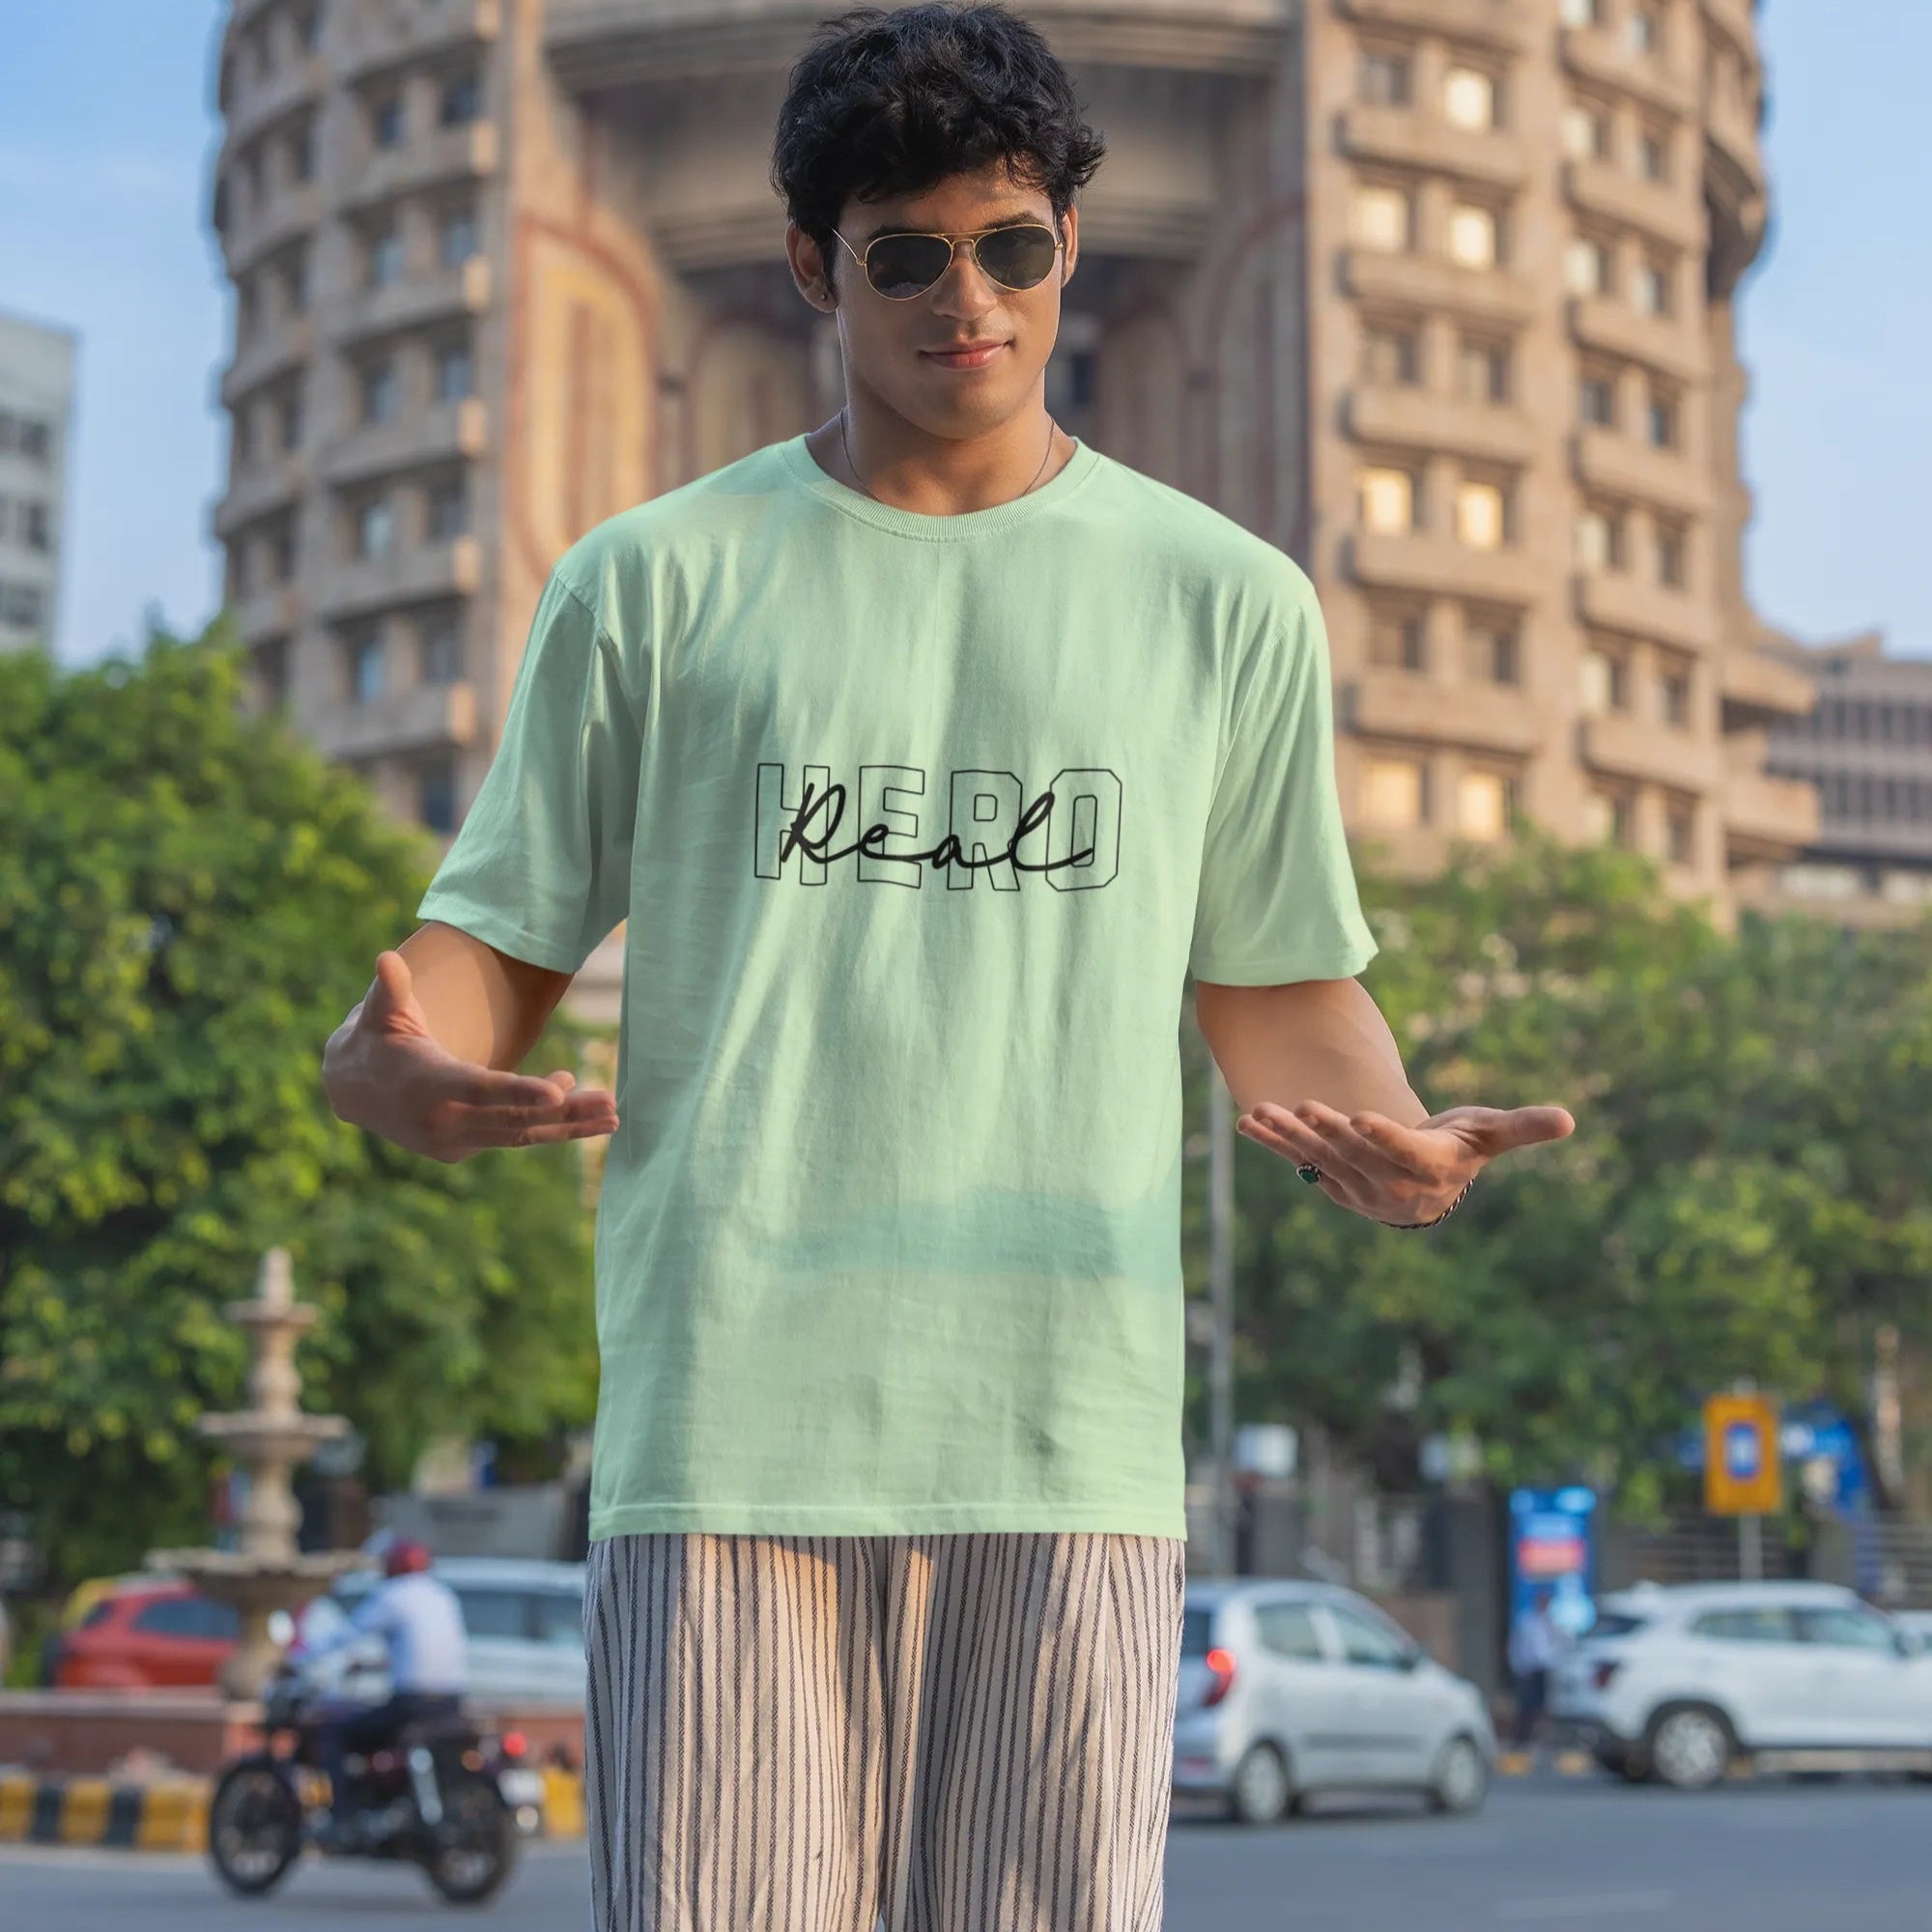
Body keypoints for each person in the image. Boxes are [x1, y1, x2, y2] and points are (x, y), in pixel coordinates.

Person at [320, 8, 1575, 1925]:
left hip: (1066, 1432)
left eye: (1010, 246)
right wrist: (388, 1067)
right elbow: (479, 961)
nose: (965, 298)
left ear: (1070, 244)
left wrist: (1397, 1145)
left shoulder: (1226, 602)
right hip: (728, 1429)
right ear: (814, 264)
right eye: (905, 254)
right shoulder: (652, 582)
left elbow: (1278, 989)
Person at [298, 1538, 469, 1848]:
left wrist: (299, 1657)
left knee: (334, 1732)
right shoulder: (443, 1595)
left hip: (412, 1705)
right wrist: (374, 1665)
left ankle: (342, 1816)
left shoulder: (394, 1595)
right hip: (451, 1702)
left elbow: (347, 1634)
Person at [1508, 1587, 1561, 1751]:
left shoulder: (1551, 1622)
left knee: (1544, 1706)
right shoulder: (1526, 1621)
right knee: (1526, 1706)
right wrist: (1517, 1667)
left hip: (1545, 1669)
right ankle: (1522, 1739)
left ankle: (1541, 1740)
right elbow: (1516, 1646)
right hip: (1528, 1670)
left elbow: (1560, 1642)